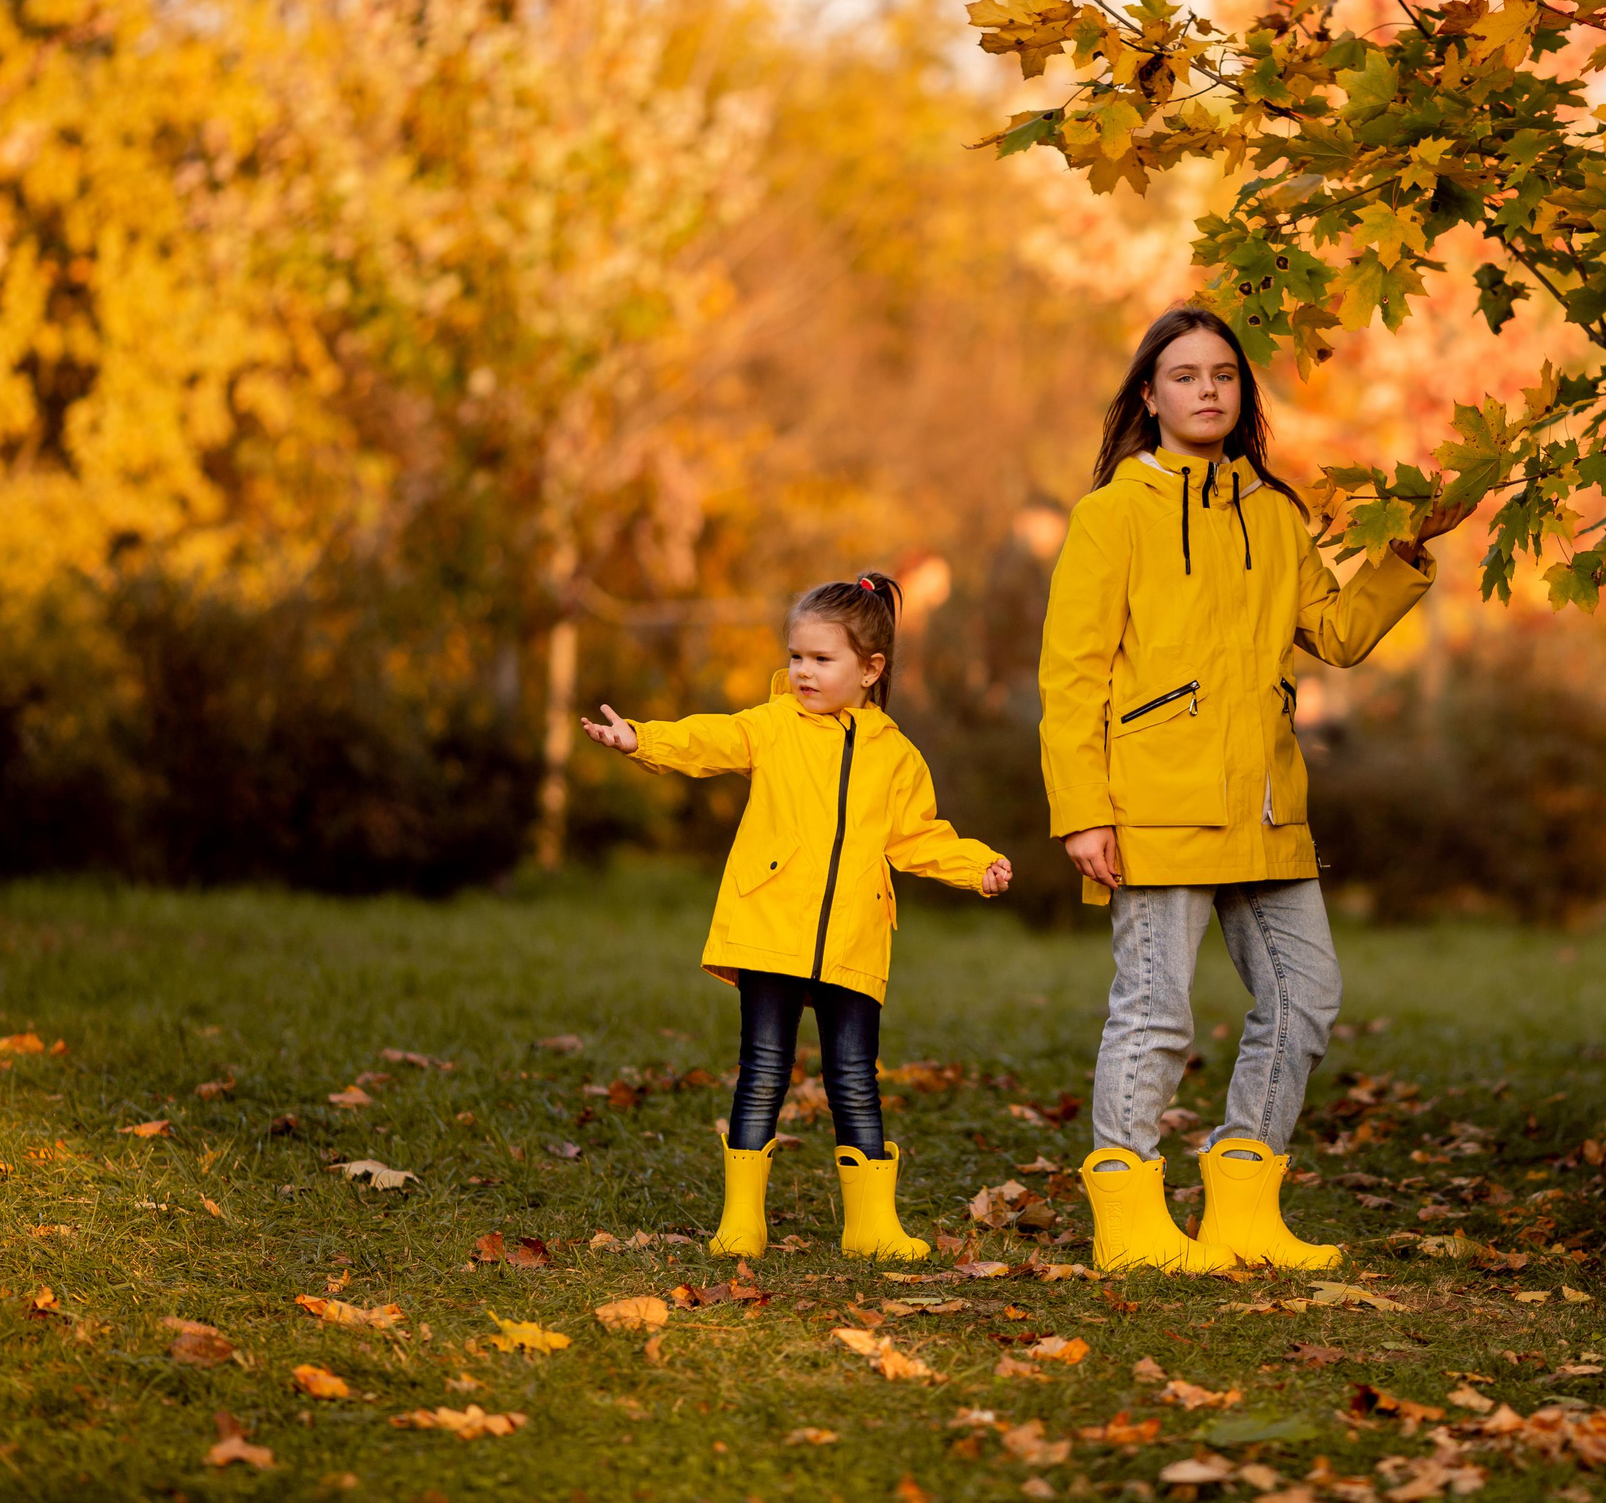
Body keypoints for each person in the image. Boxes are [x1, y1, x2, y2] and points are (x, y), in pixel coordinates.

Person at [1038, 306, 1467, 1274]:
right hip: (1154, 801)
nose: (1207, 390)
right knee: (1155, 1012)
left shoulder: (1275, 512)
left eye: (1223, 374)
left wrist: (1403, 556)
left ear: (1242, 394)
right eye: (1184, 375)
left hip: (1265, 802)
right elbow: (1072, 675)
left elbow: (1338, 635)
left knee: (1306, 996)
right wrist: (1084, 811)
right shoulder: (1112, 513)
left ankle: (1242, 1193)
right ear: (1148, 397)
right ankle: (1128, 1214)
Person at [582, 573, 1010, 1261]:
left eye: (822, 658)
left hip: (853, 936)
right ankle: (742, 1222)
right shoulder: (771, 726)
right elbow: (707, 740)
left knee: (854, 1077)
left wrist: (976, 865)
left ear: (871, 669)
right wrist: (643, 741)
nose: (803, 671)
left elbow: (919, 836)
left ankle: (869, 1225)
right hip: (770, 931)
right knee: (763, 1070)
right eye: (797, 656)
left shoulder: (895, 755)